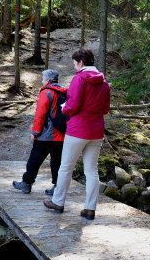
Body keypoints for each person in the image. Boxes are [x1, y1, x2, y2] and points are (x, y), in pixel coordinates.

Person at [43, 48, 111, 220]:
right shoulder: (104, 83)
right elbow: (105, 109)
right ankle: (90, 209)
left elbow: (72, 105)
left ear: (81, 63)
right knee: (91, 171)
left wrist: (64, 108)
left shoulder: (79, 79)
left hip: (77, 130)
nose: (74, 67)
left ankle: (58, 202)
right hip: (96, 132)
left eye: (74, 64)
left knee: (65, 167)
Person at [12, 69, 68, 195]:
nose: (42, 81)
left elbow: (40, 115)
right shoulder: (64, 92)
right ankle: (57, 188)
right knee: (57, 162)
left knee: (34, 159)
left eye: (42, 79)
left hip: (46, 135)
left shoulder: (46, 92)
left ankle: (26, 183)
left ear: (48, 81)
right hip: (61, 135)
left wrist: (35, 132)